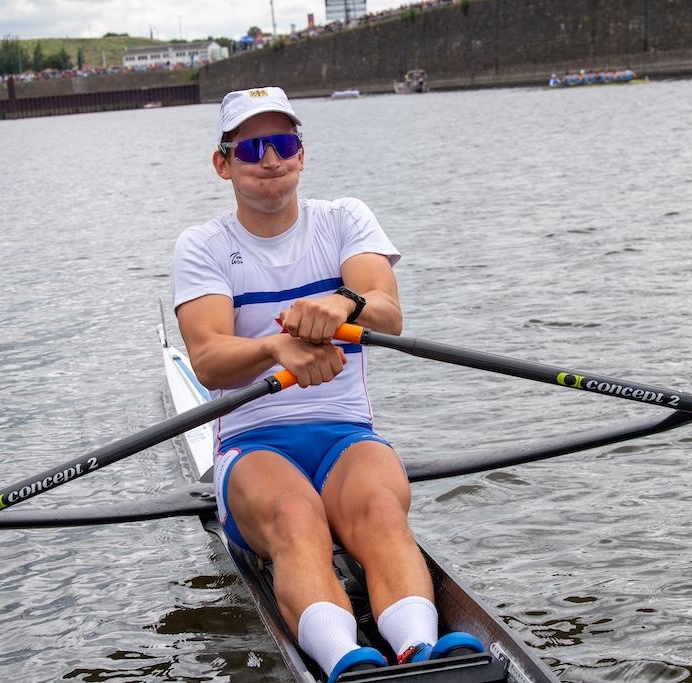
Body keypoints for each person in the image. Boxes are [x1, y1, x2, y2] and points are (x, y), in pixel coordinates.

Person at [171, 86, 484, 681]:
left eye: (283, 144)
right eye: (251, 148)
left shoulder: (344, 219)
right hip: (254, 445)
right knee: (296, 517)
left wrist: (344, 302)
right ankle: (346, 663)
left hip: (347, 435)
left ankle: (420, 651)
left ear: (302, 154)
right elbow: (208, 359)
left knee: (382, 511)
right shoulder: (203, 246)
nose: (270, 159)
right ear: (223, 164)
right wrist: (274, 347)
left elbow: (388, 313)